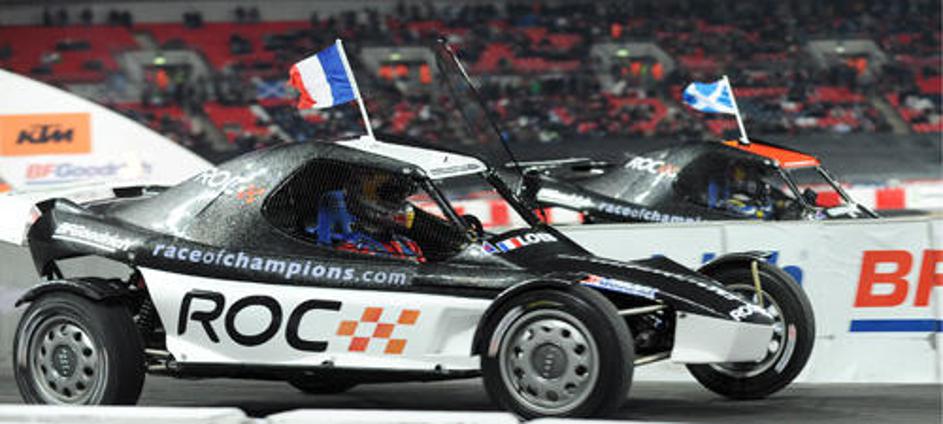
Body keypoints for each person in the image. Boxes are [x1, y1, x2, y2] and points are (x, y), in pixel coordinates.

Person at [307, 174, 424, 262]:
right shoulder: (352, 250)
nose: (402, 205)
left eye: (402, 198)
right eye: (391, 197)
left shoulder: (409, 245)